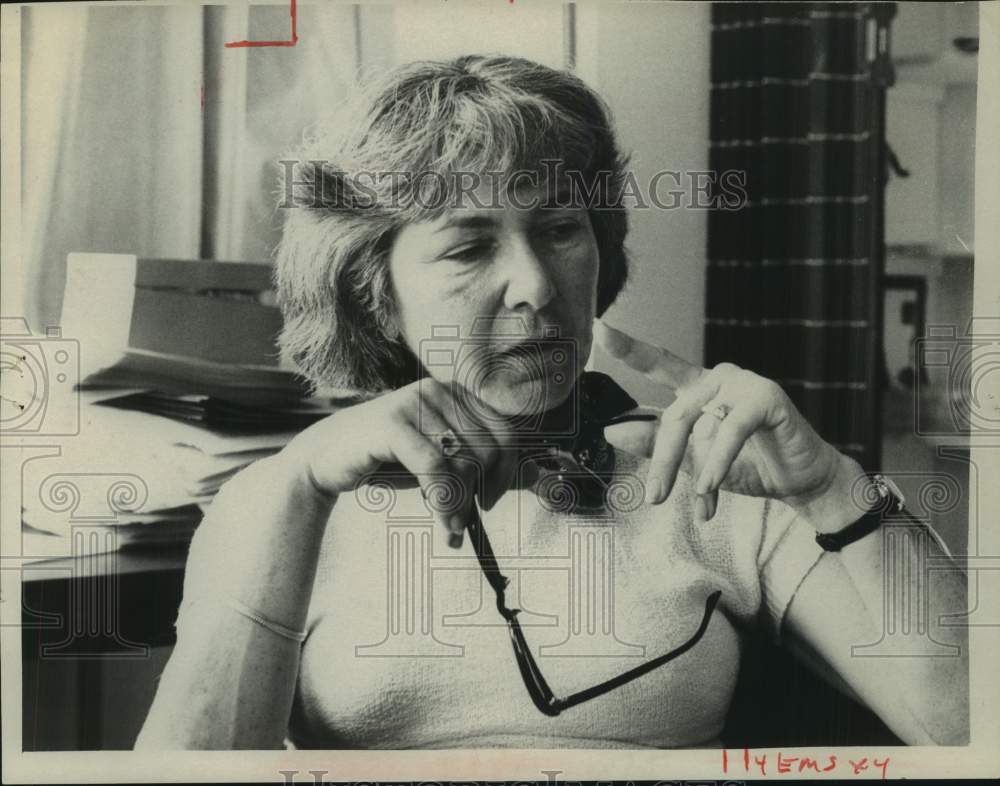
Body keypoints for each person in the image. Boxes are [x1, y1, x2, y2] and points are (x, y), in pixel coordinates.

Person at [136, 54, 968, 750]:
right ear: (374, 293)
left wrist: (828, 490)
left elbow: (972, 730)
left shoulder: (718, 478)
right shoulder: (283, 498)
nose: (535, 286)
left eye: (561, 229)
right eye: (468, 245)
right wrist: (295, 487)